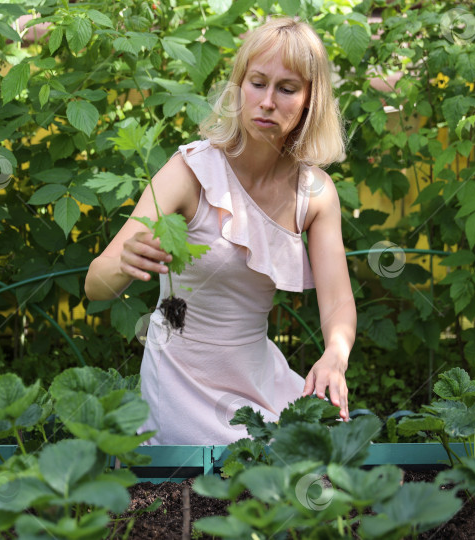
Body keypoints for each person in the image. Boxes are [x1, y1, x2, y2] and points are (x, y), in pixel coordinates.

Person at [84, 17, 356, 445]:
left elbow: (338, 301)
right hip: (182, 382)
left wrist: (335, 356)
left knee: (348, 468)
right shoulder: (190, 170)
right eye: (257, 82)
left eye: (286, 89)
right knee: (260, 480)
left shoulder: (315, 193)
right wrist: (123, 262)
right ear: (238, 87)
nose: (267, 101)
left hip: (257, 374)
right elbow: (95, 285)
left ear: (310, 100)